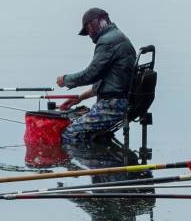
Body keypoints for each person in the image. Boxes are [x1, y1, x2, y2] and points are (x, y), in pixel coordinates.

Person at [56, 8, 136, 142]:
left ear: (96, 23)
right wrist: (80, 98)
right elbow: (107, 80)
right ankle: (101, 157)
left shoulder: (107, 41)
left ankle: (82, 161)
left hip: (113, 105)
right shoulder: (117, 36)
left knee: (68, 133)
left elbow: (91, 74)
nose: (89, 34)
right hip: (121, 101)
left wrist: (65, 80)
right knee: (78, 122)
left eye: (88, 29)